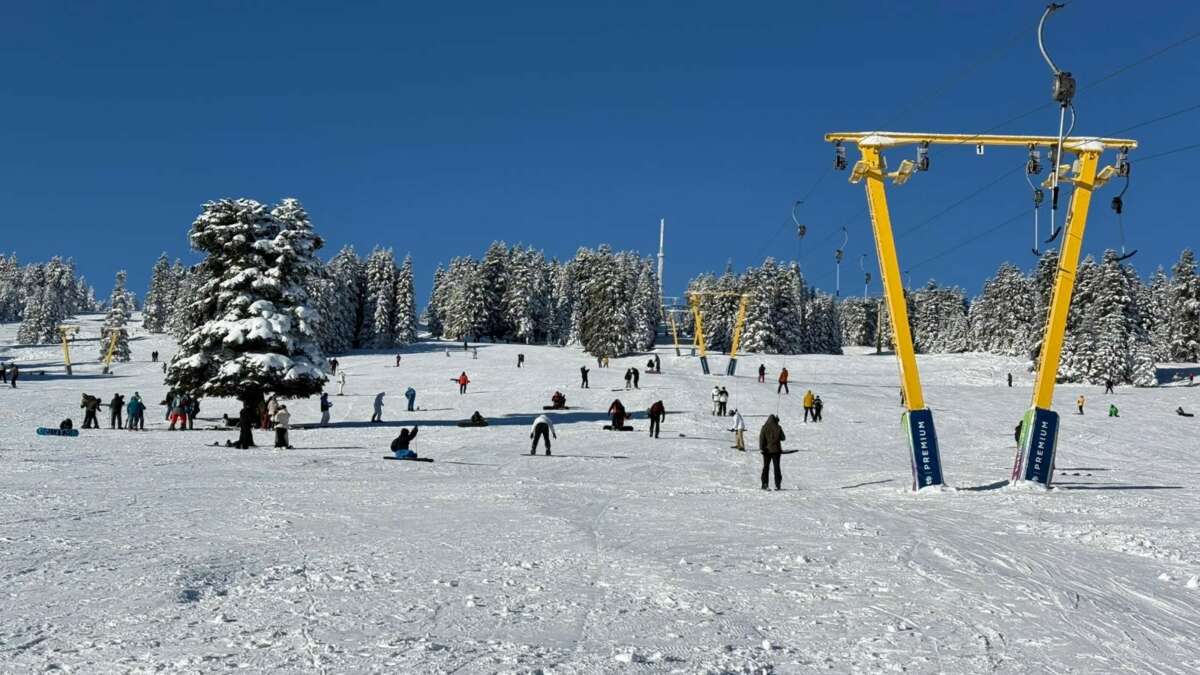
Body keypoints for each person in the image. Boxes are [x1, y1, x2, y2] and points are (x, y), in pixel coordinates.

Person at [759, 414, 786, 491]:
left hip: (766, 451)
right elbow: (783, 438)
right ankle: (777, 484)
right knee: (777, 468)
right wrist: (777, 424)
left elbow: (761, 439)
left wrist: (762, 448)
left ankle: (764, 484)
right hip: (776, 451)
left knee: (766, 467)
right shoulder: (778, 427)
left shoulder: (764, 427)